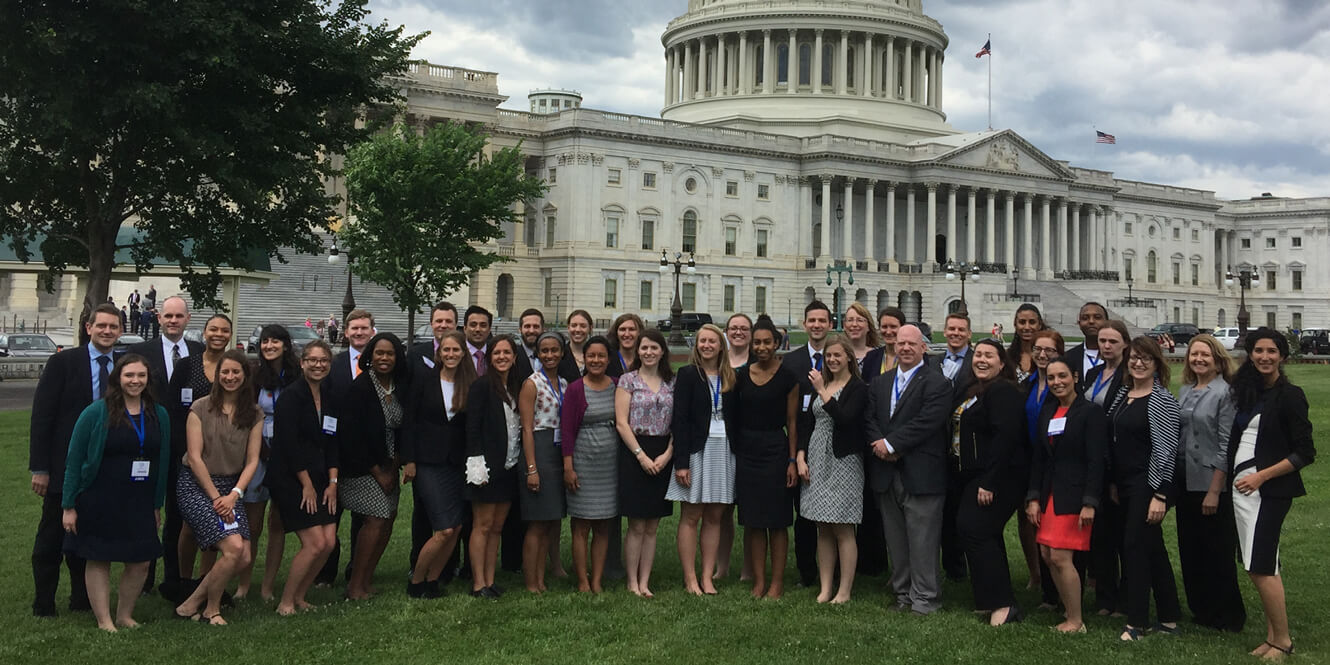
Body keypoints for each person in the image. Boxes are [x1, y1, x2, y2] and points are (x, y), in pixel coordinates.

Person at [60, 354, 170, 631]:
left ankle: (124, 614)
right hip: (100, 498)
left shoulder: (159, 414)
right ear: (118, 378)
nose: (135, 381)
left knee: (142, 560)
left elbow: (163, 460)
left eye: (141, 376)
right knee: (99, 557)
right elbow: (74, 460)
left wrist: (157, 504)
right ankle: (104, 620)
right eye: (129, 375)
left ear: (148, 380)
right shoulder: (96, 412)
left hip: (140, 500)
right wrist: (69, 505)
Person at [29, 303, 123, 617]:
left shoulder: (126, 366)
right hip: (64, 466)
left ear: (120, 330)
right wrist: (41, 468)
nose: (107, 331)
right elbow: (43, 417)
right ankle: (44, 602)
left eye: (113, 326)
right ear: (88, 328)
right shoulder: (63, 363)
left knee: (90, 536)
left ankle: (82, 599)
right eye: (102, 326)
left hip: (107, 468)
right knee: (51, 539)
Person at [1229, 329, 1315, 661]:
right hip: (1244, 492)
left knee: (1260, 565)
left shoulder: (1290, 395)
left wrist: (1261, 477)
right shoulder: (1249, 393)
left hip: (1269, 492)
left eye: (1272, 351)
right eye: (1259, 351)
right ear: (1250, 355)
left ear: (1282, 355)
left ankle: (1282, 640)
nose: (1265, 357)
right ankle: (1272, 634)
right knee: (1260, 563)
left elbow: (1305, 453)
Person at [863, 324, 952, 614]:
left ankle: (925, 599)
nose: (905, 348)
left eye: (912, 344)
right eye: (900, 344)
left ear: (924, 347)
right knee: (896, 539)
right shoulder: (880, 383)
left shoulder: (937, 383)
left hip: (922, 472)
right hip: (886, 474)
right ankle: (903, 594)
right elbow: (870, 418)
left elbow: (928, 422)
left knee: (923, 539)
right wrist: (880, 444)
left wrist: (891, 444)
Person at [173, 349, 263, 625]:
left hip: (231, 488)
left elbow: (253, 460)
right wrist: (216, 498)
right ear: (217, 375)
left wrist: (234, 494)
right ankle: (212, 609)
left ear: (245, 376)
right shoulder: (200, 407)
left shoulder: (254, 413)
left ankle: (191, 602)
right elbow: (195, 456)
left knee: (244, 556)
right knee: (234, 548)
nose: (230, 377)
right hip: (197, 485)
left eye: (236, 372)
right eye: (225, 371)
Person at [1105, 336, 1182, 641]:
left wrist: (1160, 495)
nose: (1138, 363)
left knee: (1134, 549)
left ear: (1156, 364)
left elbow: (1168, 450)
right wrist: (1112, 481)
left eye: (1145, 359)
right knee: (1154, 550)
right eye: (1134, 358)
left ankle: (1137, 622)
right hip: (1123, 483)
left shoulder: (1161, 400)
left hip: (1147, 484)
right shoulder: (1124, 393)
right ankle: (1170, 617)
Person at [1026, 358, 1107, 634]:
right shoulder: (1049, 411)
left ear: (1074, 377)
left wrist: (1090, 502)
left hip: (1075, 495)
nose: (1057, 382)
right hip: (1050, 494)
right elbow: (1039, 458)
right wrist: (1034, 497)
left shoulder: (1090, 412)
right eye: (1051, 378)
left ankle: (1076, 620)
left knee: (1061, 556)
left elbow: (1097, 461)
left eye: (1062, 376)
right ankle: (1067, 609)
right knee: (1048, 554)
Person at [952, 340, 1027, 625]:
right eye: (978, 355)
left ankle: (1003, 605)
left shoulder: (1003, 390)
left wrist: (990, 481)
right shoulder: (975, 390)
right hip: (976, 475)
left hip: (999, 477)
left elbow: (1005, 438)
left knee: (975, 529)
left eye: (989, 356)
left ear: (1002, 362)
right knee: (983, 532)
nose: (981, 360)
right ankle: (989, 600)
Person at [1176, 334, 1246, 632]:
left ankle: (1227, 613)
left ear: (1218, 360)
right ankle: (1201, 608)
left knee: (1217, 550)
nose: (1199, 360)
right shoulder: (1185, 390)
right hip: (1185, 480)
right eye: (1194, 355)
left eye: (1205, 355)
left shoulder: (1226, 393)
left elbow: (1225, 444)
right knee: (1191, 548)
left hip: (1211, 482)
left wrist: (1215, 490)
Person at [163, 312, 233, 598]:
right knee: (185, 523)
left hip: (224, 456)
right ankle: (182, 579)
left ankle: (207, 580)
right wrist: (186, 452)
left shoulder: (233, 367)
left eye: (224, 330)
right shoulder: (186, 366)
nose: (218, 334)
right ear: (204, 333)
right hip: (187, 455)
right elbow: (172, 409)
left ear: (230, 335)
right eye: (213, 329)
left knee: (215, 520)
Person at [665, 323, 737, 595]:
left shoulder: (730, 377)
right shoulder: (687, 375)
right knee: (692, 514)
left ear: (721, 346)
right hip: (696, 450)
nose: (707, 345)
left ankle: (707, 575)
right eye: (702, 341)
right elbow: (679, 420)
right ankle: (690, 577)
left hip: (724, 449)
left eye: (712, 341)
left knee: (715, 515)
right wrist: (681, 462)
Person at [268, 340, 339, 615]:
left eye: (324, 360)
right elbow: (288, 444)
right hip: (292, 478)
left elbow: (333, 441)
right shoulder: (291, 396)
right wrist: (306, 484)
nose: (318, 365)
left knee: (329, 542)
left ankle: (300, 596)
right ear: (302, 362)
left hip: (323, 476)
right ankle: (285, 602)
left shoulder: (330, 396)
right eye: (313, 360)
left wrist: (333, 483)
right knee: (314, 543)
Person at [402, 330, 474, 598]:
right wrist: (409, 460)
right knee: (444, 528)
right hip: (428, 463)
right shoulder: (424, 381)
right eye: (446, 350)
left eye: (456, 350)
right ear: (439, 353)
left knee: (455, 527)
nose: (451, 354)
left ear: (463, 353)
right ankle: (416, 581)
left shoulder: (470, 382)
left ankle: (432, 581)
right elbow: (409, 422)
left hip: (457, 464)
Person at [795, 334, 866, 603]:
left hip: (843, 460)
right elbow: (807, 422)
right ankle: (825, 587)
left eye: (838, 355)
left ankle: (844, 590)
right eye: (829, 356)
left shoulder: (857, 388)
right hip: (816, 456)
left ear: (849, 357)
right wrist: (801, 456)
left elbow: (846, 419)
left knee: (842, 526)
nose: (833, 360)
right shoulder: (821, 384)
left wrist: (823, 391)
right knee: (822, 525)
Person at [337, 332, 409, 601]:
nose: (384, 358)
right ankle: (355, 585)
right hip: (364, 467)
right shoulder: (361, 388)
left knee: (388, 520)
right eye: (379, 353)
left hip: (390, 463)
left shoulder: (400, 386)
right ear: (370, 355)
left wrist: (396, 463)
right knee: (375, 520)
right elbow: (352, 435)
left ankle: (367, 580)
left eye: (389, 353)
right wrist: (379, 472)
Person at [237, 324, 301, 601]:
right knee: (253, 523)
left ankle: (267, 586)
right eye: (265, 341)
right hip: (257, 448)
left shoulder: (297, 375)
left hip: (287, 450)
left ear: (285, 345)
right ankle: (243, 583)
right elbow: (247, 413)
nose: (269, 346)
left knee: (278, 522)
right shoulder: (254, 374)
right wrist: (259, 446)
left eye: (275, 341)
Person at [315, 308, 375, 586]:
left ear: (372, 331)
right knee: (331, 515)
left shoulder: (382, 363)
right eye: (354, 328)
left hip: (367, 455)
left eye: (364, 328)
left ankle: (357, 571)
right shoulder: (333, 364)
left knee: (363, 520)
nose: (359, 332)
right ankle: (326, 572)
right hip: (335, 451)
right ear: (346, 332)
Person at [616, 329, 675, 597]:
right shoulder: (628, 380)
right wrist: (641, 456)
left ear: (662, 351)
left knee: (653, 525)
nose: (649, 352)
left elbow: (679, 422)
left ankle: (645, 581)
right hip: (635, 451)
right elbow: (621, 422)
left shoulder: (671, 381)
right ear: (638, 351)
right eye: (644, 348)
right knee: (637, 524)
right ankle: (631, 581)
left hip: (663, 452)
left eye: (654, 348)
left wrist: (667, 455)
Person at [464, 335, 522, 598]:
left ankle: (490, 578)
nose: (502, 357)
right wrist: (477, 465)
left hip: (508, 466)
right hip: (485, 468)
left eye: (506, 353)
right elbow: (472, 428)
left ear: (514, 357)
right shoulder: (481, 386)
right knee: (483, 525)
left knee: (497, 527)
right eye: (497, 353)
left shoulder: (516, 387)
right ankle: (478, 583)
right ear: (490, 358)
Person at [561, 336, 619, 593]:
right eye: (591, 356)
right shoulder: (575, 389)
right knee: (581, 525)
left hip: (609, 466)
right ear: (584, 358)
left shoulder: (618, 386)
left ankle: (597, 579)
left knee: (604, 525)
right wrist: (568, 467)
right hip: (583, 462)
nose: (596, 361)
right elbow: (567, 431)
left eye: (601, 356)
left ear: (609, 359)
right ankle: (583, 581)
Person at [781, 301, 832, 589]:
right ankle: (806, 571)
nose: (816, 325)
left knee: (832, 511)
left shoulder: (838, 357)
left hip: (831, 442)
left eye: (822, 320)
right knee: (804, 512)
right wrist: (795, 453)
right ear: (805, 324)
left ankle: (832, 570)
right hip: (801, 441)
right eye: (812, 320)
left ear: (829, 323)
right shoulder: (792, 361)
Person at [1082, 319, 1130, 616]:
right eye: (1102, 341)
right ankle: (1104, 596)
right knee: (1100, 535)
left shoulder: (1130, 375)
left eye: (1113, 341)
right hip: (1093, 458)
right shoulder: (1094, 373)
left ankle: (1126, 598)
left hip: (1118, 461)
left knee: (1121, 534)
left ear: (1125, 343)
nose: (1107, 346)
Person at [517, 331, 568, 593]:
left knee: (551, 519)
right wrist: (531, 468)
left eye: (554, 350)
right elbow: (526, 428)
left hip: (558, 452)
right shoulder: (531, 384)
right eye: (544, 350)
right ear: (538, 353)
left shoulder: (564, 383)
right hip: (538, 450)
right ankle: (531, 581)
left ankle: (542, 576)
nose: (549, 355)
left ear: (562, 352)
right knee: (537, 522)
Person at [1021, 328, 1063, 605]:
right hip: (1028, 461)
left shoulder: (1061, 384)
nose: (1042, 354)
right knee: (1032, 521)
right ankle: (1041, 580)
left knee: (1054, 530)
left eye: (1049, 350)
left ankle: (1059, 590)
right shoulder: (1029, 383)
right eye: (1038, 349)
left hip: (1056, 464)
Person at [938, 313, 976, 582]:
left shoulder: (978, 360)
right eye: (951, 329)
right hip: (938, 448)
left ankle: (971, 566)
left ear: (969, 334)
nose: (956, 333)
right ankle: (953, 569)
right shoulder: (932, 362)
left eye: (961, 329)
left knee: (968, 513)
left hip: (967, 448)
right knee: (945, 513)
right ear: (944, 332)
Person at [1062, 302, 1108, 390]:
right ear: (1079, 323)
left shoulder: (1120, 356)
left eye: (1097, 317)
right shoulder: (1068, 357)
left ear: (1107, 322)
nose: (1091, 321)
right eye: (1085, 318)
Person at [862, 306, 905, 383]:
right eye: (884, 327)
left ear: (902, 328)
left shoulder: (915, 357)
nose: (888, 332)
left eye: (893, 327)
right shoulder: (871, 357)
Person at [1007, 304, 1047, 383]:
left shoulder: (1049, 356)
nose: (1027, 327)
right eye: (1022, 322)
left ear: (1039, 325)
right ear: (1015, 325)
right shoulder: (1007, 357)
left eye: (1032, 322)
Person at [841, 303, 880, 372]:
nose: (854, 324)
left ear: (868, 326)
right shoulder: (837, 354)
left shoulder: (879, 355)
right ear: (844, 326)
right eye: (850, 320)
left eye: (860, 320)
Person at [606, 313, 644, 378]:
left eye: (632, 329)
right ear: (616, 333)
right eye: (622, 329)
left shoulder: (645, 359)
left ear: (639, 332)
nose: (626, 334)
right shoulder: (607, 359)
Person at [463, 305, 493, 376]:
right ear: (465, 328)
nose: (478, 329)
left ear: (489, 330)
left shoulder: (495, 354)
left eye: (483, 325)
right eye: (473, 325)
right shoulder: (457, 353)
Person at [562, 309, 593, 375]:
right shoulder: (561, 354)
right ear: (568, 328)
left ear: (590, 328)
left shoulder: (596, 354)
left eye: (583, 326)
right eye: (574, 325)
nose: (578, 329)